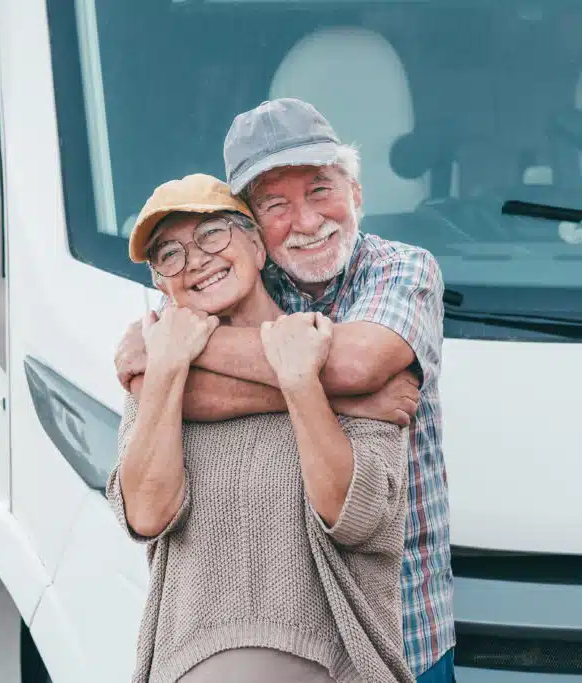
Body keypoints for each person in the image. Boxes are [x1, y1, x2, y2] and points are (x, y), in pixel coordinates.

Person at [114, 99, 454, 682]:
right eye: (276, 204)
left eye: (321, 190)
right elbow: (159, 406)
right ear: (255, 227)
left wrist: (173, 352)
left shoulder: (399, 270)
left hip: (401, 627)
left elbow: (358, 365)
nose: (306, 220)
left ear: (356, 193)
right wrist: (326, 393)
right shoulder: (228, 287)